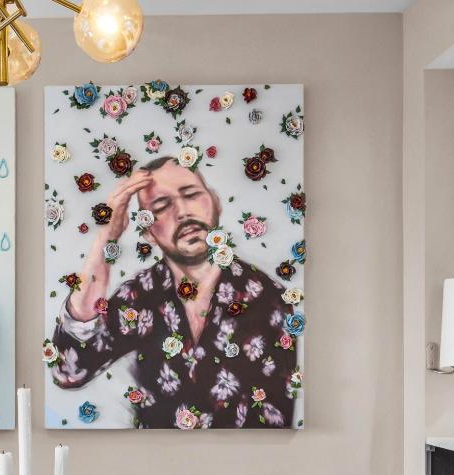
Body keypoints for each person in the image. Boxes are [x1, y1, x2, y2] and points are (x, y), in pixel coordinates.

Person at [49, 155, 298, 428]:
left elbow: (277, 419)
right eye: (161, 206)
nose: (182, 212)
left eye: (191, 195)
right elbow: (69, 371)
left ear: (215, 203)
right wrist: (106, 237)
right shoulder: (139, 297)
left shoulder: (267, 297)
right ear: (147, 232)